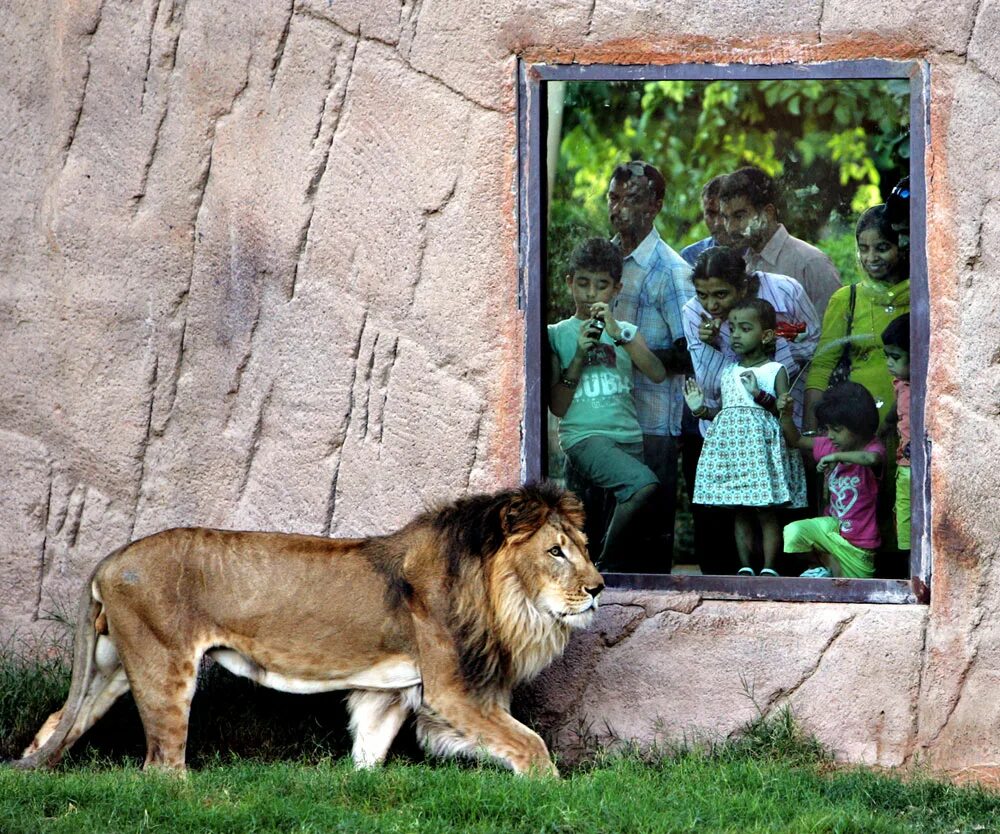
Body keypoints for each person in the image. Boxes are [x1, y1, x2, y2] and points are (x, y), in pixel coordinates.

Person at [548, 238, 667, 571]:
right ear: (569, 281)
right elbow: (557, 405)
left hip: (628, 437)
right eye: (583, 283)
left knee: (607, 521)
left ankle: (603, 569)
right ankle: (603, 566)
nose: (591, 294)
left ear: (617, 289)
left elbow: (657, 373)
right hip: (585, 437)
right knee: (643, 485)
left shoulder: (626, 331)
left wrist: (616, 334)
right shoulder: (556, 333)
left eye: (601, 286)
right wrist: (578, 357)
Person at [607, 160, 694, 566]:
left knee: (646, 552)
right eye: (614, 197)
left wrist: (627, 354)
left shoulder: (672, 271)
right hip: (605, 420)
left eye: (633, 199)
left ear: (656, 205)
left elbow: (689, 353)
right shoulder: (603, 262)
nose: (619, 209)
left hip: (653, 425)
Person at [683, 299, 808, 576]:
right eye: (733, 328)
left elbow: (781, 409)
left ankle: (770, 567)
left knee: (765, 511)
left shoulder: (775, 370)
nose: (736, 334)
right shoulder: (729, 371)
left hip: (761, 451)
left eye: (745, 328)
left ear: (765, 335)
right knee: (740, 511)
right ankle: (745, 566)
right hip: (735, 453)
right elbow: (724, 411)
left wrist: (759, 395)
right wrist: (701, 409)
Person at [683, 247, 819, 434]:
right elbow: (710, 386)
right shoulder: (693, 313)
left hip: (791, 420)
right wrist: (712, 345)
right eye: (702, 295)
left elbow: (816, 347)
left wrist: (776, 347)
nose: (711, 305)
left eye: (721, 294)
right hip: (728, 429)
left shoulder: (785, 291)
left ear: (743, 288)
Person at [805, 204, 910, 427]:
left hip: (911, 422)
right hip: (857, 431)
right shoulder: (847, 300)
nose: (871, 258)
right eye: (864, 249)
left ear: (903, 247)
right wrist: (811, 431)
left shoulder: (922, 298)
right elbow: (822, 367)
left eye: (882, 248)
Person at [778, 382, 885, 578]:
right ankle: (820, 566)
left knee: (855, 596)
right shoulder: (830, 444)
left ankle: (831, 568)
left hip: (860, 544)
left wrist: (836, 457)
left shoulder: (872, 447)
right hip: (831, 530)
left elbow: (872, 459)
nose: (830, 436)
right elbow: (797, 441)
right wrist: (786, 415)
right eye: (827, 429)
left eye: (836, 429)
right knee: (794, 532)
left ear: (858, 426)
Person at [718, 166, 841, 317]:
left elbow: (833, 333)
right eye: (725, 217)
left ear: (768, 213)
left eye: (739, 216)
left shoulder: (810, 263)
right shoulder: (741, 265)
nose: (730, 228)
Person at [880, 314, 911, 551]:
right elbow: (895, 412)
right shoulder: (900, 384)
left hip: (920, 466)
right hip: (903, 465)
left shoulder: (925, 387)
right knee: (904, 522)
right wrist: (885, 425)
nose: (889, 363)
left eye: (896, 357)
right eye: (887, 356)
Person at [680, 174, 734, 266]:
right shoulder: (691, 256)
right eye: (711, 214)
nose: (718, 223)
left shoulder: (758, 256)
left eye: (724, 214)